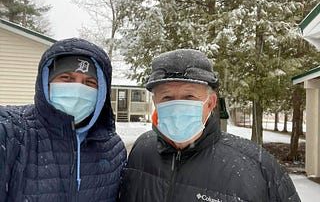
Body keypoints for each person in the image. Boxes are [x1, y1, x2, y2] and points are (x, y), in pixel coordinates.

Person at [118, 49, 301, 202]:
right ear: (156, 102)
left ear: (210, 103)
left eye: (189, 96)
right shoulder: (142, 151)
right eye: (167, 97)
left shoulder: (258, 168)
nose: (177, 106)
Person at [0, 38, 126, 201]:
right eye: (66, 78)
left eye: (90, 82)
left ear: (101, 92)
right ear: (46, 83)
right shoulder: (11, 131)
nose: (78, 88)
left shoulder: (113, 149)